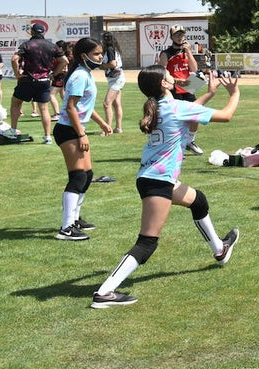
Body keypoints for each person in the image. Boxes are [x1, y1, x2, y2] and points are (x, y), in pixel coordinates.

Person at [90, 65, 242, 308]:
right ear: (164, 83)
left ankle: (220, 250)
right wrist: (234, 94)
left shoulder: (160, 107)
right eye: (168, 74)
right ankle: (105, 292)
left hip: (154, 178)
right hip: (158, 181)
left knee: (198, 200)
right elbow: (226, 116)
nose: (172, 76)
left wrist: (210, 93)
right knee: (147, 243)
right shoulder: (175, 107)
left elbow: (190, 114)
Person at [53, 38, 114, 241]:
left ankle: (75, 219)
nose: (100, 57)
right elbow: (70, 108)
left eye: (100, 54)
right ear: (83, 56)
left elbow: (83, 107)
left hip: (75, 128)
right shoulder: (80, 75)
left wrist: (101, 123)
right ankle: (66, 228)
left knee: (87, 175)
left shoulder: (84, 74)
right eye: (96, 54)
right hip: (68, 130)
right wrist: (81, 134)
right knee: (78, 176)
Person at [8, 23, 66, 144]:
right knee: (44, 109)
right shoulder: (52, 46)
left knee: (16, 103)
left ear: (32, 32)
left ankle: (13, 131)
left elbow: (14, 59)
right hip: (44, 81)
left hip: (27, 80)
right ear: (43, 32)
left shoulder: (27, 45)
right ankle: (47, 137)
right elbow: (64, 61)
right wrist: (54, 74)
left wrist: (17, 74)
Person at [159, 25, 203, 154]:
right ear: (171, 37)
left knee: (196, 115)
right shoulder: (166, 53)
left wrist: (189, 52)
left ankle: (190, 141)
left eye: (182, 34)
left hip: (188, 87)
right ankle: (177, 147)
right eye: (177, 35)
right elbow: (162, 72)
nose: (180, 37)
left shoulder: (187, 52)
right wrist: (175, 81)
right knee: (177, 120)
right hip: (174, 88)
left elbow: (194, 69)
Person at [101, 31, 125, 133]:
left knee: (107, 103)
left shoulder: (110, 49)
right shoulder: (113, 49)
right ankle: (118, 128)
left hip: (116, 78)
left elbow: (113, 64)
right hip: (116, 78)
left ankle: (108, 129)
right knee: (116, 104)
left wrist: (101, 66)